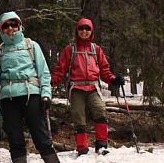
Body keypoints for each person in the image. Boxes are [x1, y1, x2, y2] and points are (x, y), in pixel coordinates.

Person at [0, 11, 66, 163]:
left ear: (19, 26)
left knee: (41, 135)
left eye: (13, 24)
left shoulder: (32, 46)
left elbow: (44, 72)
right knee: (15, 138)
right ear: (1, 29)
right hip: (8, 99)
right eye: (6, 25)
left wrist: (46, 95)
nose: (10, 28)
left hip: (32, 95)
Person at [51, 17, 124, 155]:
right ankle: (82, 147)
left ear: (91, 31)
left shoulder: (96, 49)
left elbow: (104, 70)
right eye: (81, 29)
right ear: (77, 31)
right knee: (78, 115)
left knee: (100, 109)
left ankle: (101, 144)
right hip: (76, 88)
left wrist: (114, 80)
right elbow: (60, 70)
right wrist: (52, 81)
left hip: (93, 87)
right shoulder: (70, 50)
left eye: (87, 29)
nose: (84, 31)